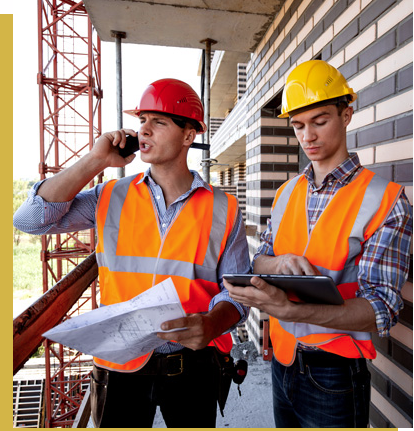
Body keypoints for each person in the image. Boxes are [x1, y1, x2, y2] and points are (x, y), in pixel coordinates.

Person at [13, 78, 251, 428]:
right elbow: (31, 220)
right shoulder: (110, 196)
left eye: (159, 121)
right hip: (119, 366)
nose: (144, 130)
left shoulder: (224, 207)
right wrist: (96, 160)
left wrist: (214, 323)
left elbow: (237, 293)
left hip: (193, 365)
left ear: (188, 135)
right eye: (142, 120)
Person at [224, 60, 413, 428]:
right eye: (297, 125)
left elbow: (381, 308)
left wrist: (292, 312)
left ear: (346, 115)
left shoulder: (386, 200)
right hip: (282, 361)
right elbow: (260, 260)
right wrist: (279, 265)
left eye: (320, 121)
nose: (307, 135)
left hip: (335, 374)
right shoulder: (285, 194)